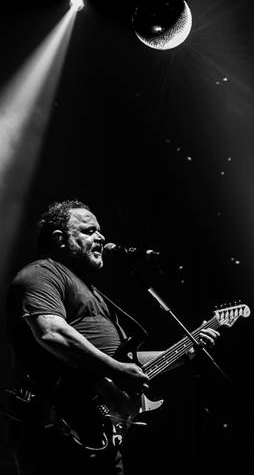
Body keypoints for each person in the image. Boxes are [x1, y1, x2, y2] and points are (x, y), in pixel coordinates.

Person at [4, 200, 219, 474]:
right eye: (89, 231)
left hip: (100, 435)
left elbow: (125, 363)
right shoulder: (42, 274)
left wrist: (184, 352)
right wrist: (115, 369)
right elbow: (52, 333)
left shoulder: (94, 294)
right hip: (57, 430)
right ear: (60, 239)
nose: (101, 237)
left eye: (99, 231)